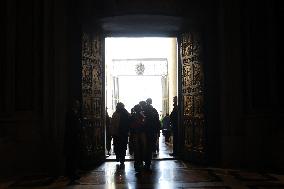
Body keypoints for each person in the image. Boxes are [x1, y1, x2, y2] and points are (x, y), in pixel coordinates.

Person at [64, 99, 82, 184]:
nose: (78, 105)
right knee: (72, 158)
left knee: (75, 157)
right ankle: (71, 177)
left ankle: (74, 174)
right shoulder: (71, 113)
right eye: (77, 104)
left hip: (75, 138)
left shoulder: (75, 113)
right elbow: (71, 127)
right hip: (72, 139)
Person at [111, 102, 130, 167]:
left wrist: (112, 132)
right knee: (123, 147)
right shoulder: (126, 113)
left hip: (116, 134)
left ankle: (118, 157)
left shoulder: (115, 114)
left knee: (117, 146)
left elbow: (112, 124)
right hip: (124, 134)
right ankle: (122, 160)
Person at [129, 104, 146, 172]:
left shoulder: (132, 116)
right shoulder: (142, 116)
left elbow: (130, 126)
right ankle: (140, 163)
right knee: (141, 150)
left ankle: (137, 165)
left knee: (137, 151)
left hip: (135, 134)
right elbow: (144, 125)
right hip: (141, 134)